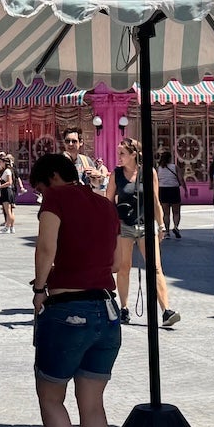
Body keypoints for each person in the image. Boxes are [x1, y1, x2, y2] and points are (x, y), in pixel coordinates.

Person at [29, 153, 122, 427]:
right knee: (93, 405)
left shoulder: (57, 197)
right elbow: (115, 264)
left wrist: (40, 289)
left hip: (68, 310)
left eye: (39, 189)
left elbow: (46, 246)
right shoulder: (104, 205)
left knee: (51, 396)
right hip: (107, 312)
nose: (41, 197)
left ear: (52, 177)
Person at [105, 138, 178, 328]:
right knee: (124, 267)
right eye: (118, 153)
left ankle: (166, 310)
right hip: (124, 225)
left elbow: (155, 200)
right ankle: (124, 308)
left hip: (146, 225)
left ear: (133, 155)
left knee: (155, 268)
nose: (118, 157)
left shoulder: (149, 173)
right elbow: (108, 202)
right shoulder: (116, 174)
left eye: (122, 153)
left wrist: (161, 225)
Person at [61, 128, 107, 194]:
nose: (70, 144)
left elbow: (96, 185)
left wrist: (97, 176)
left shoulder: (86, 161)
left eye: (74, 141)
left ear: (81, 142)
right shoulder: (57, 162)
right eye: (67, 141)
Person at [156, 149, 183, 239]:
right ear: (170, 158)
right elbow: (181, 179)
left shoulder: (159, 168)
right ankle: (175, 227)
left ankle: (167, 231)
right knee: (176, 211)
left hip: (163, 189)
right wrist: (185, 189)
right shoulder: (175, 167)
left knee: (166, 213)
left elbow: (156, 179)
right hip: (174, 189)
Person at [0, 153, 21, 233]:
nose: (0, 164)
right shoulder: (10, 170)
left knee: (8, 211)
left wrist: (0, 186)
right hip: (9, 191)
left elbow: (9, 182)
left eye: (1, 162)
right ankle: (11, 227)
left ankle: (7, 227)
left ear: (4, 163)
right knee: (10, 211)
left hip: (7, 191)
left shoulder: (7, 171)